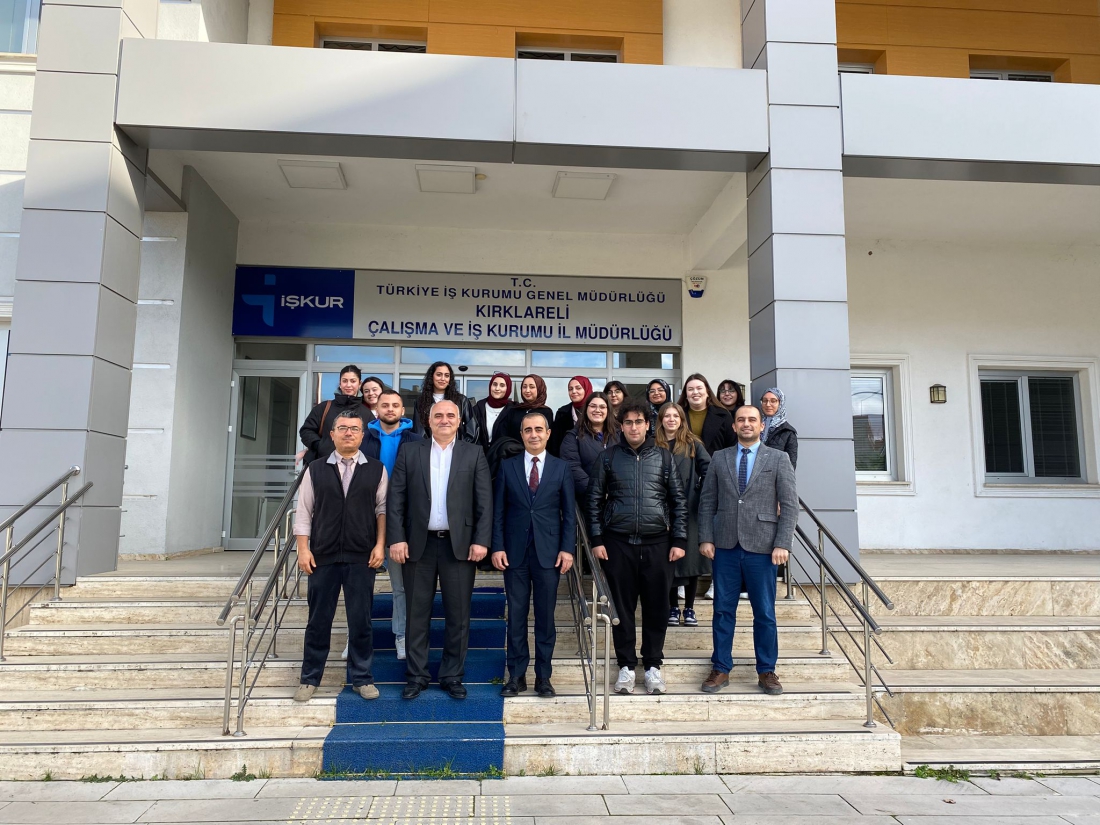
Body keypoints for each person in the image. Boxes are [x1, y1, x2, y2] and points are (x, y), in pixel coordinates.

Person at [387, 400, 493, 700]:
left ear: (459, 421)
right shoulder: (410, 451)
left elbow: (484, 501)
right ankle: (416, 676)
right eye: (438, 415)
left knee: (458, 616)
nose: (444, 420)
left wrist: (481, 540)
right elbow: (396, 498)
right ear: (428, 420)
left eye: (450, 415)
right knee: (416, 614)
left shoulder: (474, 453)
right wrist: (397, 539)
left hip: (459, 547)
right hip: (417, 546)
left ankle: (452, 675)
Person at [587, 400, 687, 696]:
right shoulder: (607, 457)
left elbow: (678, 501)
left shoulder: (664, 457)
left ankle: (653, 666)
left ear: (647, 425)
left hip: (658, 545)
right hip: (618, 544)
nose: (633, 427)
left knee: (657, 608)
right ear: (621, 426)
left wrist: (679, 540)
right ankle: (626, 666)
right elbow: (593, 501)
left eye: (638, 422)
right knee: (622, 608)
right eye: (628, 422)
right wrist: (596, 539)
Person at [698, 405, 797, 697]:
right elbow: (707, 501)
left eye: (752, 419)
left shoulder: (778, 458)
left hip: (763, 547)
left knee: (764, 612)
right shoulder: (720, 458)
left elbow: (790, 504)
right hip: (725, 546)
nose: (746, 424)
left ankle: (766, 670)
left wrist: (783, 543)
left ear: (761, 425)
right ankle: (720, 668)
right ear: (734, 426)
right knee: (722, 611)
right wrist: (706, 537)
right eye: (740, 419)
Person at [292, 409, 386, 703]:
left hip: (362, 555)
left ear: (362, 435)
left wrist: (380, 545)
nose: (348, 433)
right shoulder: (315, 469)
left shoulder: (377, 469)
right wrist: (303, 549)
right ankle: (310, 679)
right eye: (343, 428)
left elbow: (382, 511)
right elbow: (304, 512)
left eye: (354, 429)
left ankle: (362, 678)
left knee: (361, 620)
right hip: (322, 555)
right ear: (331, 435)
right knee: (318, 620)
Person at [492, 411, 576, 698]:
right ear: (522, 434)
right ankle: (516, 676)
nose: (533, 434)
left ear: (548, 433)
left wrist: (567, 549)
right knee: (516, 616)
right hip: (514, 554)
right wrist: (497, 546)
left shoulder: (561, 468)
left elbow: (569, 514)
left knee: (545, 618)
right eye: (528, 430)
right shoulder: (507, 466)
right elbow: (499, 511)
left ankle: (543, 677)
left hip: (548, 554)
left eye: (539, 429)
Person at [360, 389, 422, 662]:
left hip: (401, 520)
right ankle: (356, 637)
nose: (390, 409)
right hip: (365, 520)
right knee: (360, 586)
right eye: (385, 405)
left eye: (395, 405)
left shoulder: (416, 440)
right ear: (377, 408)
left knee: (401, 586)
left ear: (402, 410)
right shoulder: (364, 437)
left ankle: (401, 635)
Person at [655, 402, 711, 628]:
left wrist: (699, 491)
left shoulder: (693, 443)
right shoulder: (653, 444)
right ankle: (672, 607)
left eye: (675, 416)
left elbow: (709, 470)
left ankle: (689, 608)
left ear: (681, 420)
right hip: (660, 509)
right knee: (667, 559)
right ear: (661, 420)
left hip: (689, 508)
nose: (671, 419)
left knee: (690, 560)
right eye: (667, 416)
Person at [560, 392, 620, 507]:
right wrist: (596, 492)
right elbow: (572, 467)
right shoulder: (573, 437)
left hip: (617, 502)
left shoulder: (618, 436)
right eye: (593, 406)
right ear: (586, 409)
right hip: (588, 502)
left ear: (608, 411)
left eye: (602, 407)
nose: (597, 410)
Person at [298, 365, 363, 465]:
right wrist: (320, 445)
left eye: (353, 381)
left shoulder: (366, 413)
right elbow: (306, 430)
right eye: (344, 381)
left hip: (354, 468)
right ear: (340, 383)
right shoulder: (324, 408)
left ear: (359, 384)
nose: (348, 385)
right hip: (322, 465)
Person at [411, 361, 480, 444]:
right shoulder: (421, 402)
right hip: (429, 449)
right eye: (439, 375)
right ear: (431, 377)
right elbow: (418, 430)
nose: (443, 379)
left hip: (457, 449)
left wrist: (461, 447)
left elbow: (472, 429)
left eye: (446, 375)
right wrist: (427, 447)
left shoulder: (462, 400)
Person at [677, 373, 737, 457]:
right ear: (686, 394)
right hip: (685, 463)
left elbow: (732, 446)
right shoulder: (677, 415)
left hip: (715, 463)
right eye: (690, 389)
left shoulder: (724, 415)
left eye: (699, 388)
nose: (695, 392)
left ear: (707, 392)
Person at [498, 374, 554, 444]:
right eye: (524, 387)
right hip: (512, 450)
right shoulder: (514, 410)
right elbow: (504, 435)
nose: (527, 390)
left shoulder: (546, 412)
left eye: (532, 387)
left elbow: (549, 440)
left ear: (539, 389)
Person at [548, 375, 593, 457]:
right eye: (570, 389)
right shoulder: (562, 413)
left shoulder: (596, 411)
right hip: (566, 459)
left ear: (586, 389)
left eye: (578, 388)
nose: (574, 391)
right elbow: (555, 443)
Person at [473, 372, 513, 453]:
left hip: (504, 456)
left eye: (502, 385)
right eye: (494, 384)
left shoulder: (513, 410)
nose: (497, 388)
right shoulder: (478, 408)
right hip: (479, 455)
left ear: (508, 388)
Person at [761, 387, 798, 469]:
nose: (768, 404)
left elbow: (790, 466)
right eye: (765, 400)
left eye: (773, 401)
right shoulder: (754, 426)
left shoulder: (788, 432)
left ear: (781, 403)